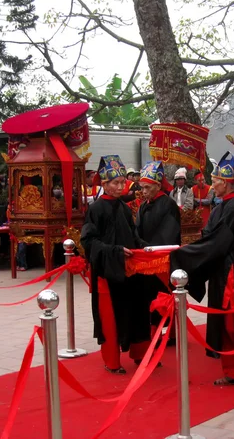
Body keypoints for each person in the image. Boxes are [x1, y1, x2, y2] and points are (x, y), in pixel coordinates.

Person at [170, 152, 234, 386]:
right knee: (230, 323)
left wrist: (185, 253)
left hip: (232, 273)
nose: (212, 185)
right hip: (223, 270)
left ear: (225, 182)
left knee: (232, 323)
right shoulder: (225, 206)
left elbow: (218, 242)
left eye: (215, 181)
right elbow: (211, 238)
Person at [81, 155, 150, 374]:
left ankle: (140, 354)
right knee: (110, 318)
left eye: (123, 182)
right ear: (104, 184)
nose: (121, 186)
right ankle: (112, 361)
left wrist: (145, 248)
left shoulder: (123, 207)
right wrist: (115, 251)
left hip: (129, 270)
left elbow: (133, 234)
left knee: (137, 311)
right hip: (107, 272)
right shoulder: (96, 209)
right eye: (116, 183)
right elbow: (89, 242)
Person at [136, 161, 181, 344]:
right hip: (146, 257)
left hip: (162, 257)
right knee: (148, 296)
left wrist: (151, 249)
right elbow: (137, 229)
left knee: (164, 295)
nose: (144, 191)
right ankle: (153, 333)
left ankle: (172, 333)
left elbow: (169, 233)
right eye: (142, 187)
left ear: (157, 185)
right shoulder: (143, 204)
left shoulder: (168, 204)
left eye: (147, 187)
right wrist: (140, 244)